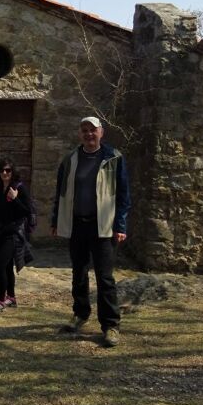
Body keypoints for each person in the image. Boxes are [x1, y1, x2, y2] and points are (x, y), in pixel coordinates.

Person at [52, 116, 131, 347]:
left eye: (92, 130)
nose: (89, 134)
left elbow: (124, 195)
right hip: (78, 224)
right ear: (80, 134)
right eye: (84, 130)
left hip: (103, 226)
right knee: (79, 273)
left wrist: (120, 225)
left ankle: (111, 325)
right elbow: (61, 193)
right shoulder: (70, 160)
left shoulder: (113, 158)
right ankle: (80, 314)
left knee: (105, 278)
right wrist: (56, 220)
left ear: (101, 133)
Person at [0, 157, 33, 313]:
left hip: (13, 234)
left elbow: (27, 211)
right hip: (0, 233)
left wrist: (15, 199)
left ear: (13, 172)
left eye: (8, 170)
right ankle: (11, 297)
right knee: (6, 266)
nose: (4, 173)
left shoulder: (19, 188)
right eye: (2, 170)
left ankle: (0, 299)